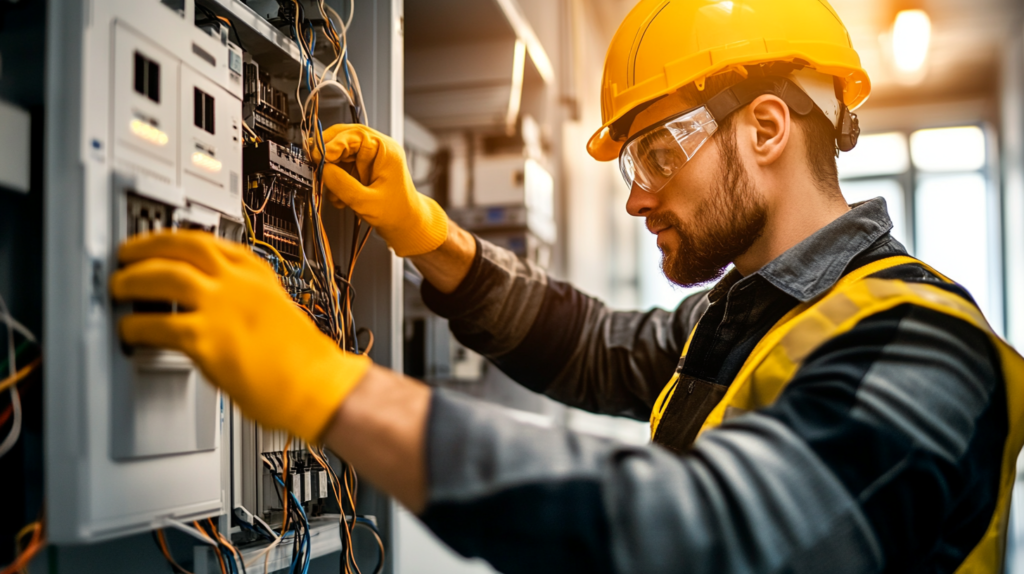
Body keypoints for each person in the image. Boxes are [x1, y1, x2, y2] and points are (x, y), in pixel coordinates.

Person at [110, 0, 1024, 572]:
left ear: (769, 129)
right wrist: (426, 234)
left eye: (659, 153)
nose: (636, 195)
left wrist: (323, 384)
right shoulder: (751, 314)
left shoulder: (922, 347)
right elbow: (597, 350)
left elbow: (708, 539)